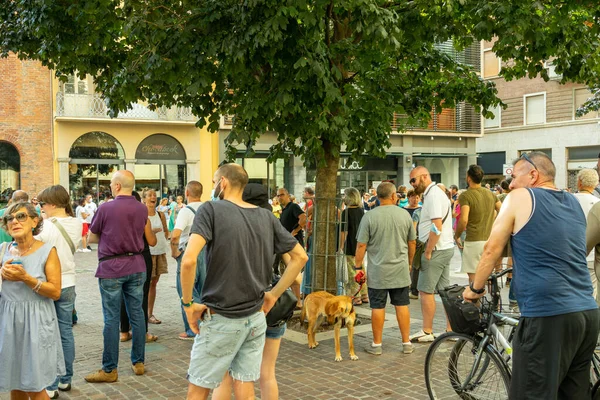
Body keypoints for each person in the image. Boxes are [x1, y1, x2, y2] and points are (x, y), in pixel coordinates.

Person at [464, 151, 599, 399]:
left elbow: (492, 249)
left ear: (533, 175)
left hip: (547, 313)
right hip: (586, 313)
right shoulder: (572, 203)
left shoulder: (520, 196)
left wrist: (474, 289)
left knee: (532, 393)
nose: (511, 183)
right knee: (574, 394)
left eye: (515, 177)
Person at [180, 163, 307, 399]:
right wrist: (273, 294)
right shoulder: (265, 216)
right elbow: (300, 257)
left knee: (198, 389)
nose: (213, 187)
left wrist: (188, 305)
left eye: (214, 181)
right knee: (245, 386)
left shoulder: (211, 210)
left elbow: (188, 261)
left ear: (223, 182)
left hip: (222, 317)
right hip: (255, 318)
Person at [212, 183, 291, 400]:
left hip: (239, 305)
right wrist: (275, 293)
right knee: (267, 374)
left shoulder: (232, 224)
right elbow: (298, 267)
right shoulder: (272, 223)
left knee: (226, 374)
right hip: (272, 307)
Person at [84, 170, 149, 382]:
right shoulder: (142, 209)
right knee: (137, 314)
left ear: (118, 186)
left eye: (112, 184)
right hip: (137, 264)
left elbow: (92, 235)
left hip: (112, 266)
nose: (111, 187)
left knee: (111, 318)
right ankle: (138, 362)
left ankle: (110, 369)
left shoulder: (106, 208)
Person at [0, 202, 64, 398]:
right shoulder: (3, 249)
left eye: (21, 217)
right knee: (15, 383)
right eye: (10, 219)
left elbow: (55, 292)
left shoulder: (47, 251)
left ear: (34, 221)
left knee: (35, 387)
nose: (14, 222)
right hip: (8, 324)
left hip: (36, 324)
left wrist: (26, 278)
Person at [354, 182, 416, 355]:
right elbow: (412, 242)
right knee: (402, 305)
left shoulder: (369, 217)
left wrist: (358, 266)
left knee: (378, 307)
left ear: (378, 197)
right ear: (394, 196)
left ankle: (377, 344)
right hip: (400, 270)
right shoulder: (405, 215)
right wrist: (409, 262)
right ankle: (406, 342)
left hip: (378, 272)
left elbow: (361, 245)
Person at [36, 186, 82, 399]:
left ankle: (52, 383)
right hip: (69, 282)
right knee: (65, 331)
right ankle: (66, 378)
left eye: (43, 204)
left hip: (50, 283)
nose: (41, 207)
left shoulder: (46, 226)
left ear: (53, 204)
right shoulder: (76, 222)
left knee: (49, 333)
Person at [408, 166, 454, 343]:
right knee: (445, 291)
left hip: (436, 249)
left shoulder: (433, 195)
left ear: (424, 176)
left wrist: (428, 250)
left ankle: (427, 330)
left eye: (414, 180)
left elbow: (436, 226)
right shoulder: (434, 193)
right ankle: (451, 329)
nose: (412, 184)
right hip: (444, 248)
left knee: (425, 291)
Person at [119, 191, 158, 343]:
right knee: (142, 294)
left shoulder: (119, 219)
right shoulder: (144, 218)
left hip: (122, 258)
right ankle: (143, 333)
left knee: (124, 294)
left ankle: (123, 331)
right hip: (142, 257)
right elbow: (152, 241)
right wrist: (152, 234)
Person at [170, 180, 206, 340]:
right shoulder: (208, 208)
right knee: (205, 289)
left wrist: (174, 251)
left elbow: (175, 235)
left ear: (187, 193)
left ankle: (192, 329)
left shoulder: (185, 211)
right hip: (206, 252)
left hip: (188, 252)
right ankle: (206, 325)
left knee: (186, 291)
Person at [454, 165, 501, 283]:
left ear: (469, 178)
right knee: (487, 273)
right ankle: (491, 298)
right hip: (489, 239)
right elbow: (502, 210)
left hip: (473, 239)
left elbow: (464, 219)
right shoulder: (491, 194)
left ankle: (476, 300)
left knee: (474, 277)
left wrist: (457, 235)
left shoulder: (465, 195)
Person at [142, 189, 169, 325]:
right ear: (144, 199)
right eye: (150, 195)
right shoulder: (141, 214)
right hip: (147, 252)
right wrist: (150, 231)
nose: (153, 197)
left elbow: (166, 231)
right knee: (144, 284)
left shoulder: (160, 214)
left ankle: (149, 313)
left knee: (154, 283)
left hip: (159, 251)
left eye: (154, 195)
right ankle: (140, 313)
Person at [339, 187, 368, 305]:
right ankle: (364, 294)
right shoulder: (362, 211)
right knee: (360, 269)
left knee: (351, 273)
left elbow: (343, 232)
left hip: (350, 245)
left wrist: (340, 247)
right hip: (361, 245)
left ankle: (355, 297)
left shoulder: (346, 213)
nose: (343, 198)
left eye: (344, 195)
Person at [575, 168, 600, 300]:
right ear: (596, 184)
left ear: (579, 182)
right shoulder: (597, 203)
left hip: (570, 255)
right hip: (591, 257)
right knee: (591, 294)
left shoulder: (568, 201)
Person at [405, 190, 422, 300]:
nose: (415, 200)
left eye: (417, 198)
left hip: (417, 240)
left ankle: (413, 286)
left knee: (414, 264)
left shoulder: (421, 210)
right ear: (408, 198)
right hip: (406, 239)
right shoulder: (403, 210)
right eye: (413, 197)